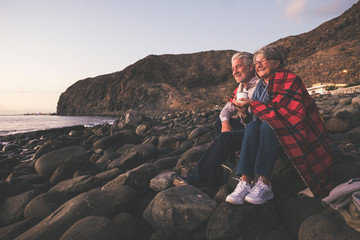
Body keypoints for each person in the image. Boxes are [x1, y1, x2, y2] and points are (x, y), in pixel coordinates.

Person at [225, 45, 334, 205]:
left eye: (262, 61)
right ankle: (245, 181)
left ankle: (264, 183)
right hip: (268, 135)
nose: (258, 65)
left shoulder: (289, 79)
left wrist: (253, 103)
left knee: (269, 124)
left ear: (277, 63)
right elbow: (254, 119)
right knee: (253, 127)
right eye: (255, 63)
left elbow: (284, 114)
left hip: (293, 132)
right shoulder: (260, 86)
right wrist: (243, 111)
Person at [174, 51, 259, 187]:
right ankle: (229, 159)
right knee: (220, 121)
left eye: (238, 67)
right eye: (233, 69)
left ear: (250, 67)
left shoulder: (260, 86)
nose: (234, 72)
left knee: (224, 139)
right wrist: (225, 122)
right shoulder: (240, 88)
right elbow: (225, 110)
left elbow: (258, 121)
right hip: (246, 126)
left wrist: (244, 113)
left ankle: (195, 180)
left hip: (256, 132)